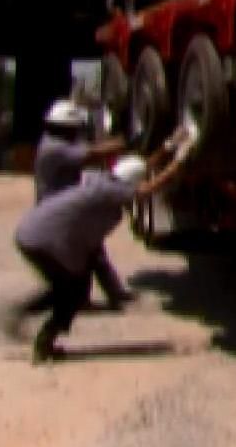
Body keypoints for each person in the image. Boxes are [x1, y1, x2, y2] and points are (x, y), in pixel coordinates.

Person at [10, 138, 193, 363]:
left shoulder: (101, 180)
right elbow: (144, 190)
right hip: (44, 242)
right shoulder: (110, 191)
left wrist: (168, 146)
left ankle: (31, 319)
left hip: (32, 234)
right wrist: (177, 164)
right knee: (72, 294)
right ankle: (42, 341)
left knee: (71, 288)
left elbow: (138, 169)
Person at [34, 99, 133, 308]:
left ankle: (109, 293)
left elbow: (92, 149)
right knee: (84, 252)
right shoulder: (55, 148)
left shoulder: (54, 142)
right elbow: (93, 154)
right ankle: (95, 295)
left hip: (63, 207)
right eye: (74, 128)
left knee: (91, 250)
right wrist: (128, 142)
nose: (77, 133)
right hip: (58, 211)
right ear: (65, 128)